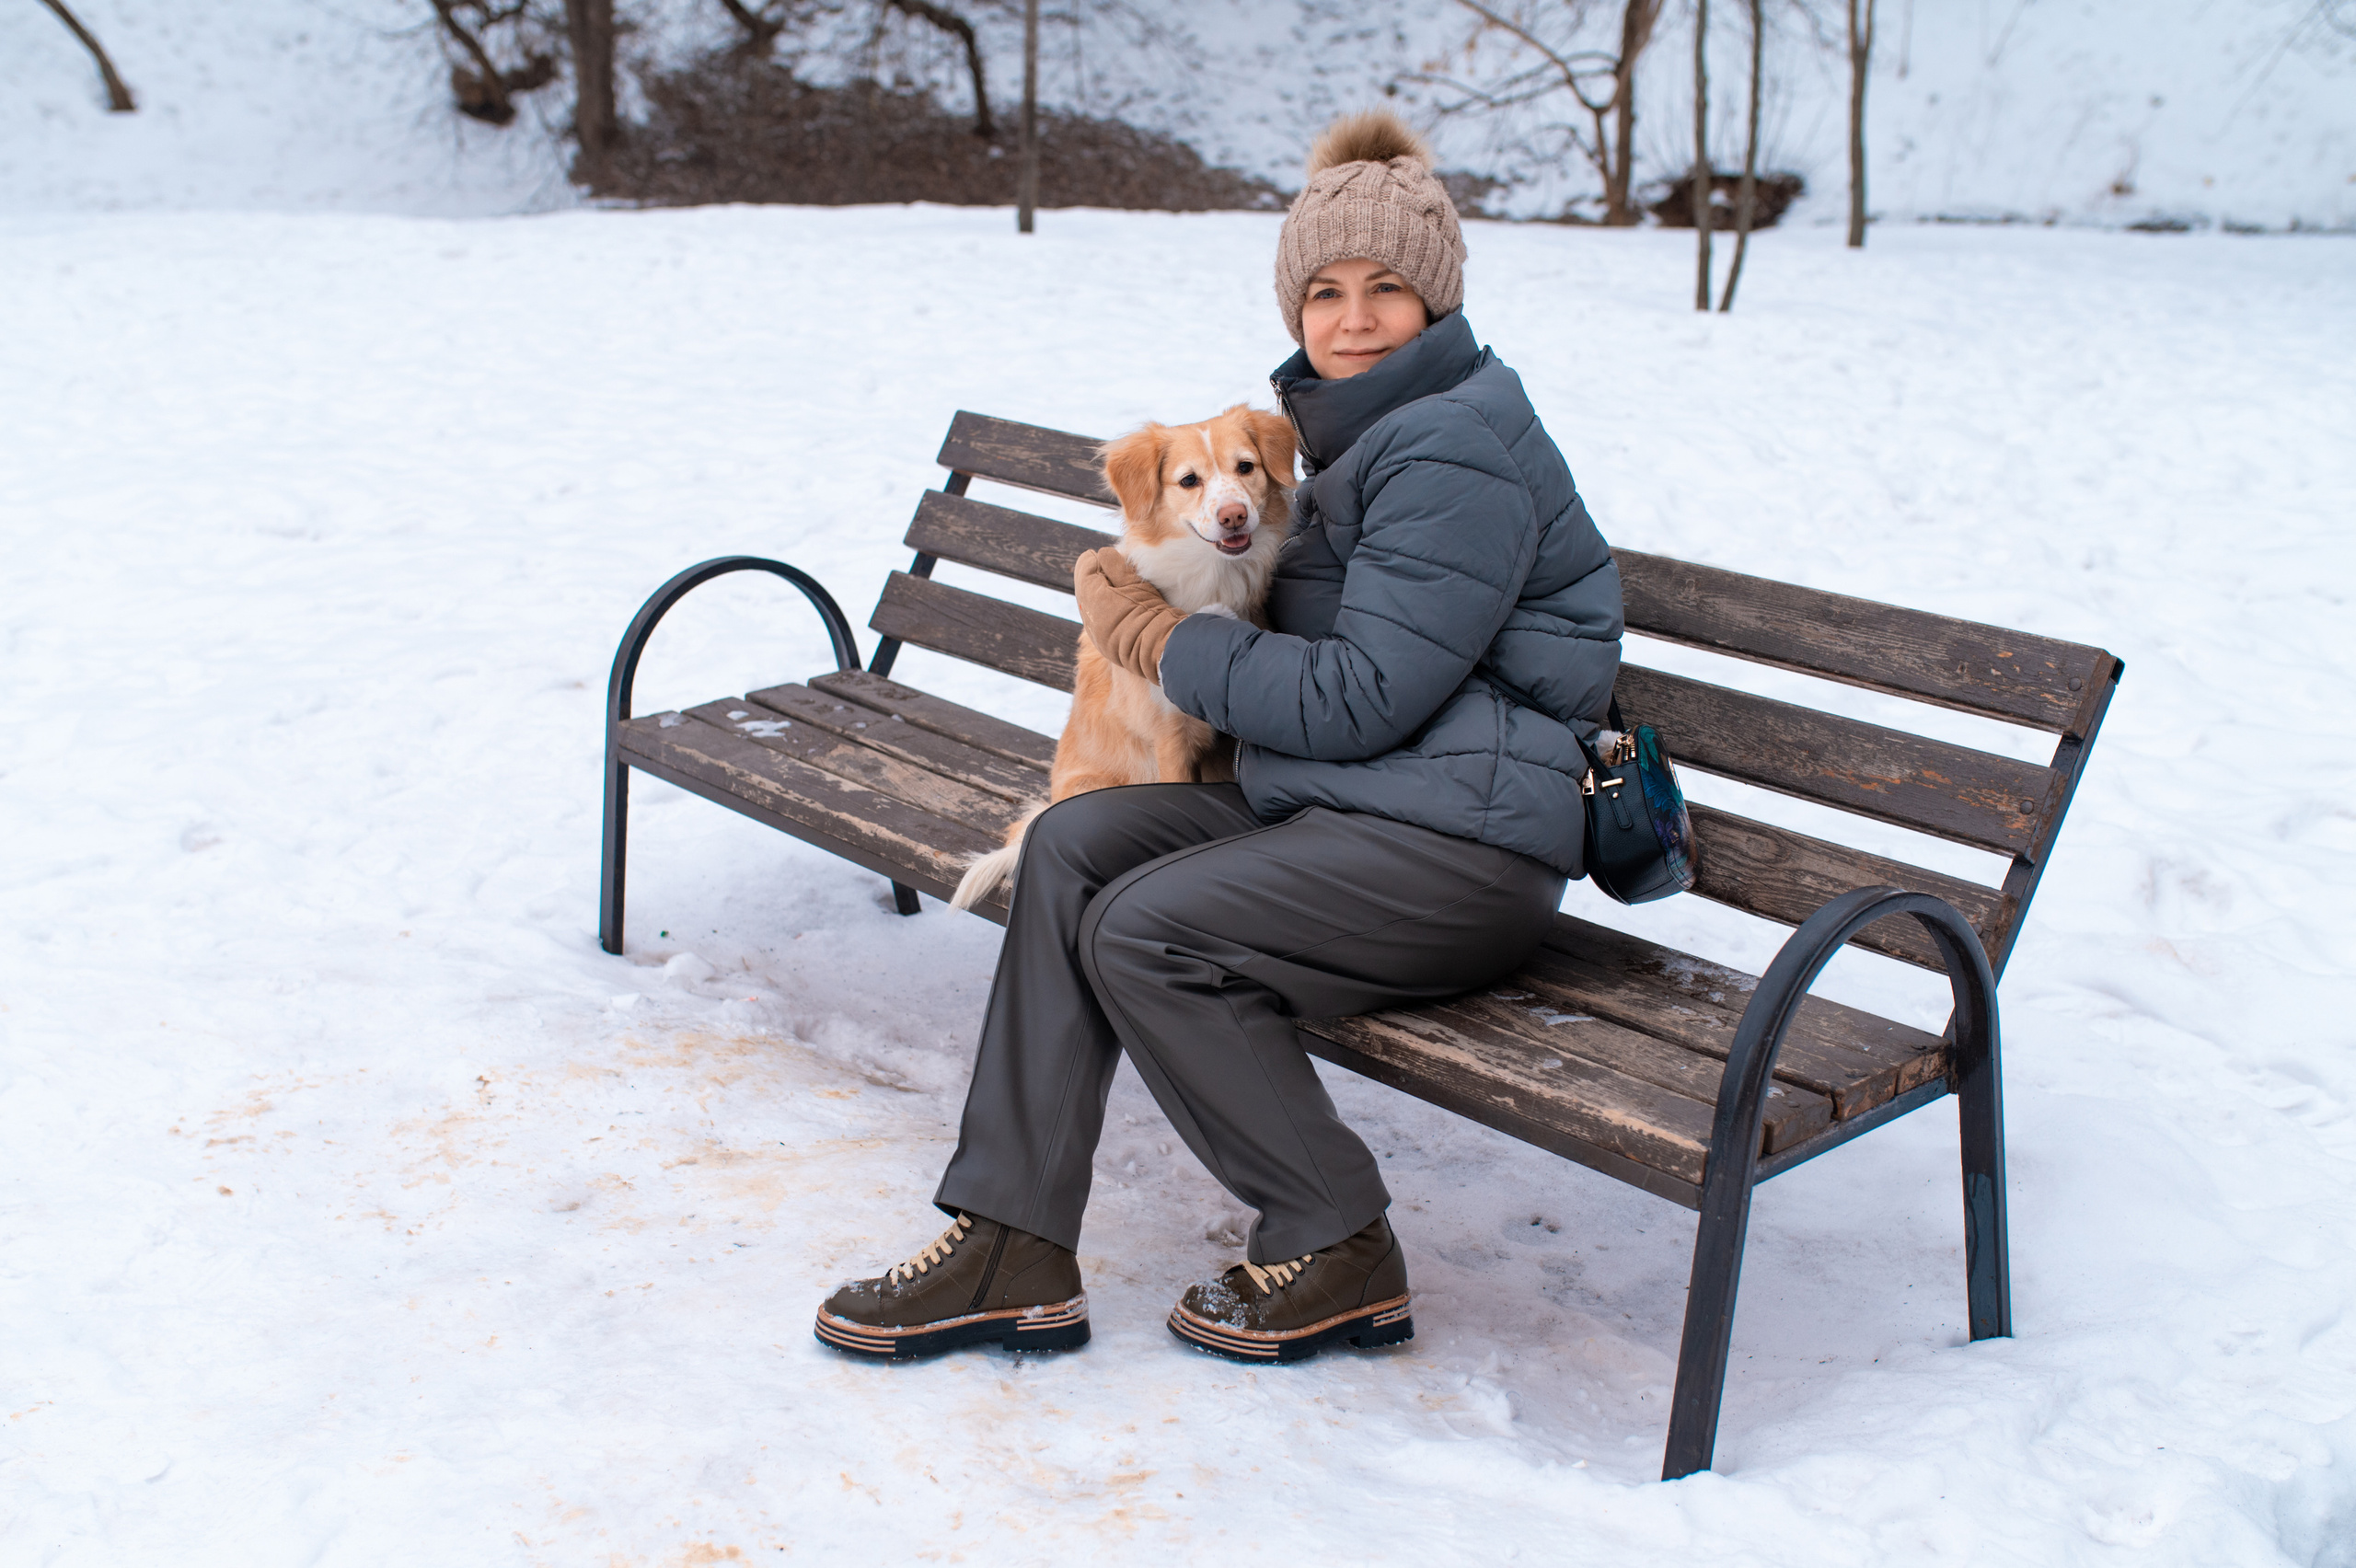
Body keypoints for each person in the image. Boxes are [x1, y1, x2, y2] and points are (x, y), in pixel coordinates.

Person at [813, 110, 1624, 1365]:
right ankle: (1010, 1239)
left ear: (1438, 298)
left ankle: (1336, 1237)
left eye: (1387, 287)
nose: (1353, 319)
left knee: (1146, 927)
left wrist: (1151, 635)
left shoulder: (1450, 450)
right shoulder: (1360, 435)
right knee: (1073, 846)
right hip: (1364, 806)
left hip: (1464, 852)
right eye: (1326, 291)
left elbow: (1360, 696)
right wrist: (1158, 585)